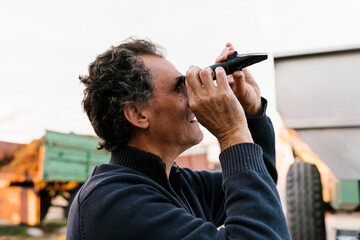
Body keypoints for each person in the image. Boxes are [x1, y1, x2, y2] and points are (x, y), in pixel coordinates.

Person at [66, 37, 291, 240]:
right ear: (137, 114)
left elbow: (261, 186)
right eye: (179, 88)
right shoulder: (113, 203)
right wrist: (231, 133)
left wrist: (251, 114)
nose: (194, 98)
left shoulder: (175, 183)